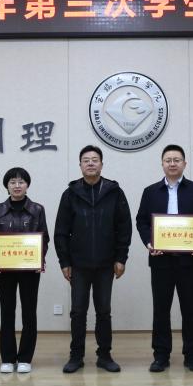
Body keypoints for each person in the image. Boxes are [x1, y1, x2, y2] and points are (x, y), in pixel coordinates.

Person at [54, 144, 132, 373]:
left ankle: (104, 355)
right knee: (78, 311)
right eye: (86, 160)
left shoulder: (114, 192)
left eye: (94, 160)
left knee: (104, 311)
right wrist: (64, 262)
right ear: (80, 165)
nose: (90, 163)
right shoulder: (70, 194)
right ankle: (76, 356)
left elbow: (124, 227)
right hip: (78, 264)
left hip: (106, 263)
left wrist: (121, 258)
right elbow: (61, 231)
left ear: (101, 164)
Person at [135, 144, 193, 372]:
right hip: (161, 260)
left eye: (177, 160)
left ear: (184, 163)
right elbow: (141, 221)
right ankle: (160, 355)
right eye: (168, 160)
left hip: (189, 260)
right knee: (161, 309)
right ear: (162, 164)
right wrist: (150, 242)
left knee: (190, 308)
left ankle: (192, 356)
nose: (172, 163)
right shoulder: (150, 191)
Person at [0, 167, 49, 374]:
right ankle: (7, 358)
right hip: (5, 269)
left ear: (27, 185)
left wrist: (39, 259)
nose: (17, 186)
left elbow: (44, 238)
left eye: (21, 182)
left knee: (29, 312)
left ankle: (25, 358)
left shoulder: (37, 209)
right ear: (6, 186)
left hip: (30, 270)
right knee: (7, 312)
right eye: (12, 182)